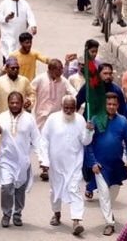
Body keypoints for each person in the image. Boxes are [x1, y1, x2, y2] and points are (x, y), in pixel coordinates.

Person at [40, 95, 94, 236]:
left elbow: (85, 141)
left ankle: (76, 221)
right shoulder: (52, 119)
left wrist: (89, 131)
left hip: (74, 163)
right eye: (66, 108)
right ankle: (56, 213)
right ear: (61, 107)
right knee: (55, 191)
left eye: (72, 108)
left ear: (76, 108)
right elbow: (44, 140)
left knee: (74, 189)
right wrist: (44, 160)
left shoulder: (80, 120)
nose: (69, 111)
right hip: (56, 165)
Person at [86, 92, 127, 235]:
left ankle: (106, 208)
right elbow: (88, 144)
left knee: (112, 193)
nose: (111, 106)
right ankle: (109, 223)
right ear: (105, 105)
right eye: (108, 104)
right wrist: (93, 162)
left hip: (116, 165)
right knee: (104, 194)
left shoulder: (123, 121)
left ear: (118, 105)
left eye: (114, 104)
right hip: (100, 166)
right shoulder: (95, 120)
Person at [0, 92, 41, 228]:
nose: (15, 105)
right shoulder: (2, 117)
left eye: (17, 102)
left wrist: (42, 159)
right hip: (6, 159)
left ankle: (17, 214)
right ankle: (6, 214)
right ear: (8, 103)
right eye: (12, 102)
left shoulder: (29, 118)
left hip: (22, 161)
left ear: (22, 103)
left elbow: (36, 139)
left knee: (20, 189)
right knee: (6, 187)